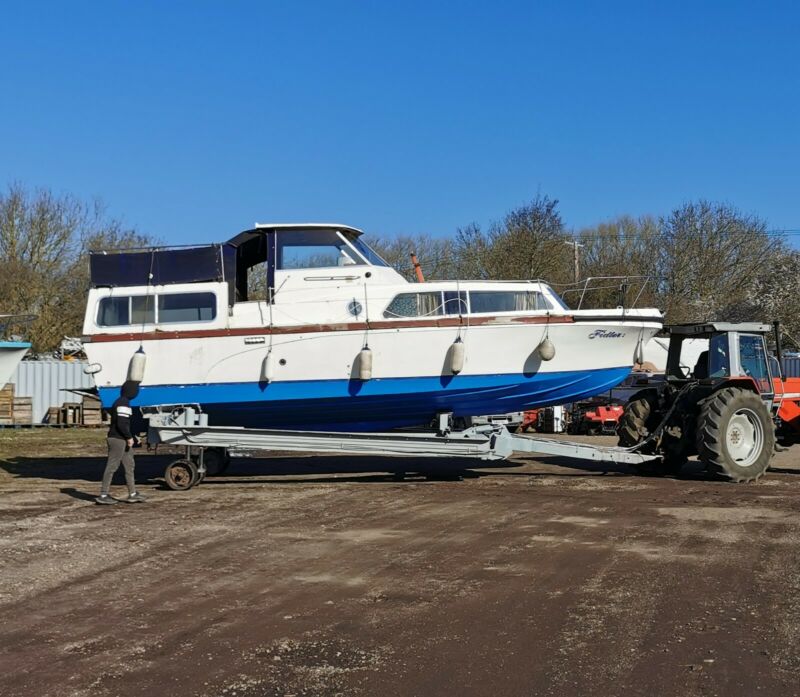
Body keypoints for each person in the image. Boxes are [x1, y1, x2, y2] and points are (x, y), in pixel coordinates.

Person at [95, 381, 147, 504]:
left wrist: (132, 436)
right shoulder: (123, 403)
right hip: (118, 440)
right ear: (132, 391)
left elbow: (123, 423)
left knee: (129, 465)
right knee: (112, 466)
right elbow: (122, 424)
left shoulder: (122, 402)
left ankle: (133, 493)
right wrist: (129, 437)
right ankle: (103, 495)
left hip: (121, 439)